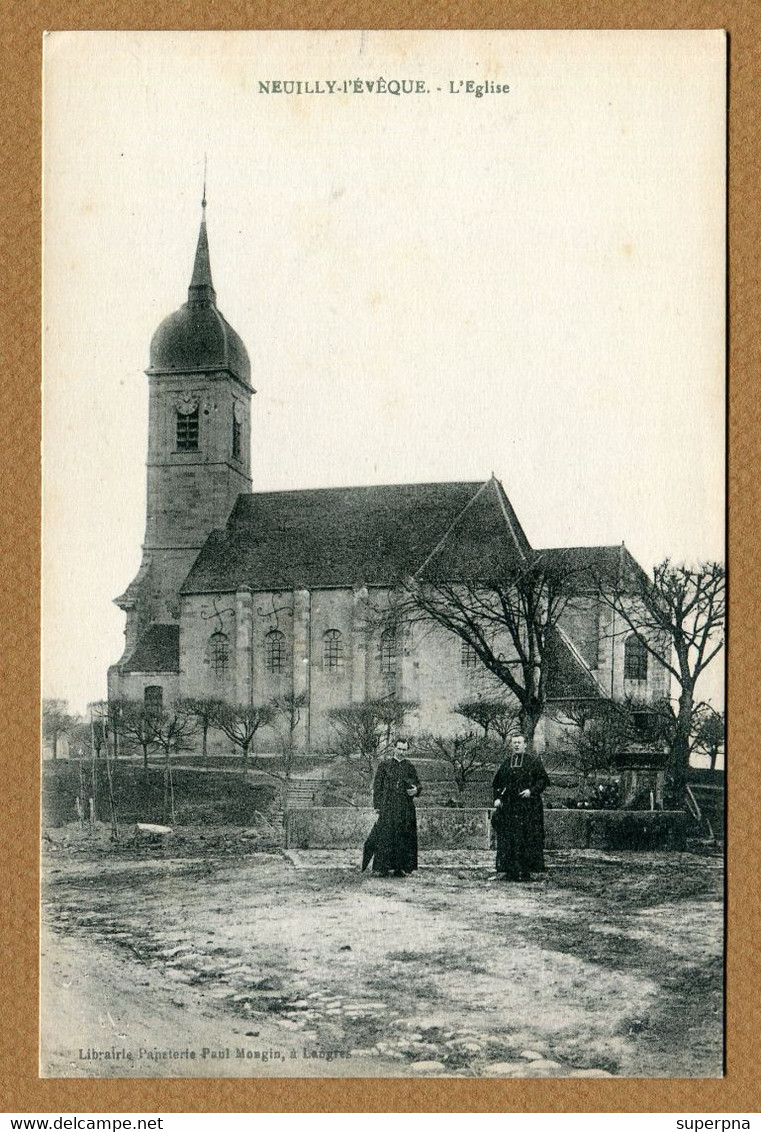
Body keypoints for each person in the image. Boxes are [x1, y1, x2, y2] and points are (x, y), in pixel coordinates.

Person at [492, 734, 550, 881]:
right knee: (510, 838)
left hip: (529, 808)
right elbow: (497, 784)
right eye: (514, 743)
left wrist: (531, 791)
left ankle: (527, 872)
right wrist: (497, 798)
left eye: (519, 742)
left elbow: (543, 780)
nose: (517, 745)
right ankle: (510, 871)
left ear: (525, 745)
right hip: (510, 808)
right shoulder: (506, 763)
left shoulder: (533, 762)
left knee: (528, 838)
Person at [363, 739, 422, 876]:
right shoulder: (385, 765)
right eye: (399, 749)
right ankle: (382, 868)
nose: (401, 752)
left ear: (407, 750)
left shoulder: (410, 767)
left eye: (404, 750)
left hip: (405, 809)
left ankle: (400, 868)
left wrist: (416, 790)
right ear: (394, 748)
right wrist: (377, 808)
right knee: (385, 837)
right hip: (388, 807)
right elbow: (377, 788)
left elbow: (418, 785)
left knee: (403, 837)